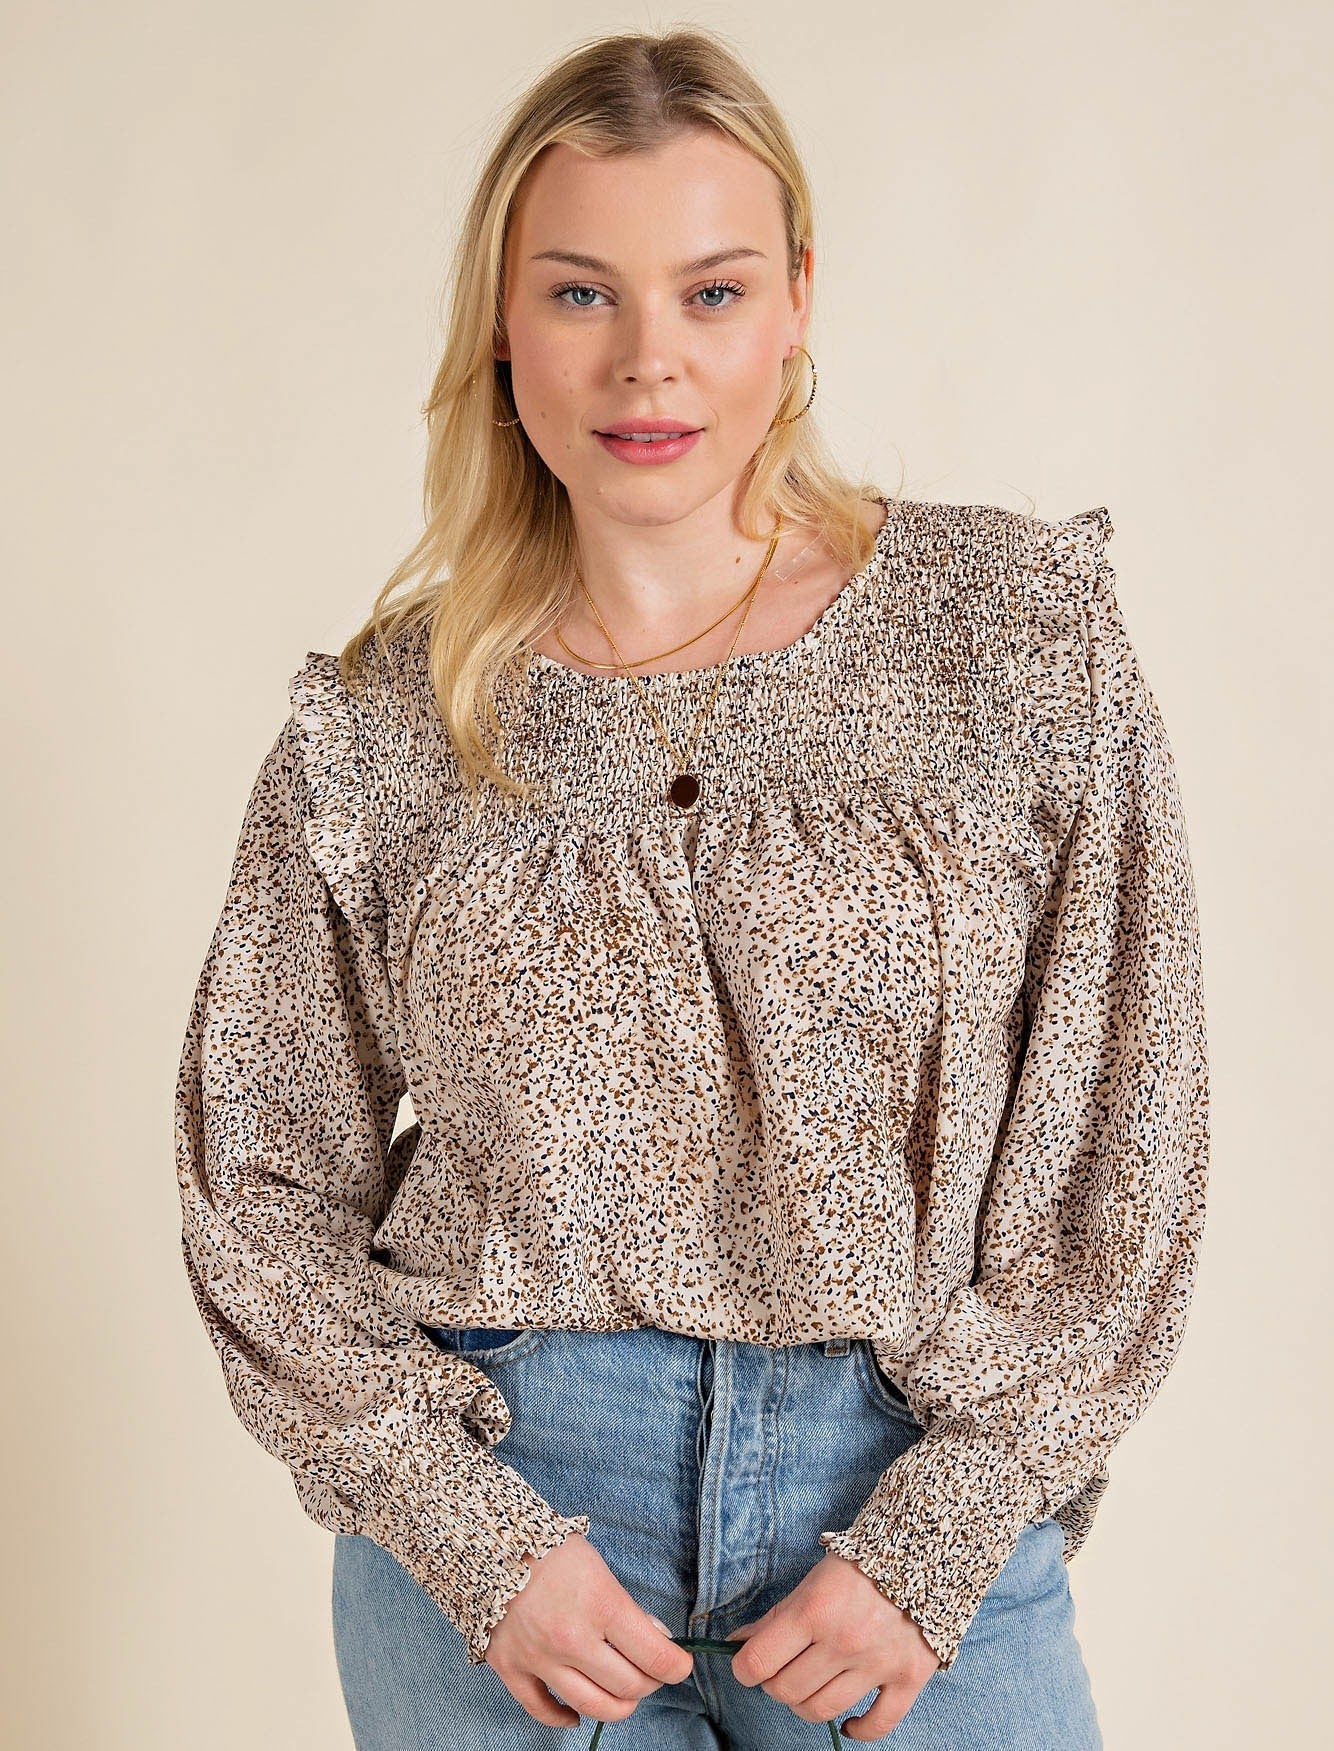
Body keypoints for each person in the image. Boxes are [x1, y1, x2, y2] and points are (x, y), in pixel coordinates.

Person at [173, 25, 1210, 1751]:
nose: (645, 360)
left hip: (900, 1486)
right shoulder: (384, 720)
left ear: (796, 301)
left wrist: (943, 1531)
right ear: (501, 327)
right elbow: (256, 1175)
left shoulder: (1008, 632)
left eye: (710, 292)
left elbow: (1127, 1114)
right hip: (511, 1528)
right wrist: (463, 1532)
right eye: (580, 293)